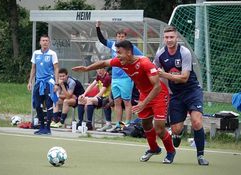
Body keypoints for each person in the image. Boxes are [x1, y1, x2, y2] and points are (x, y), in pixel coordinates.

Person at [72, 40, 176, 164]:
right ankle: (154, 148)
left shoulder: (145, 63)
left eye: (119, 52)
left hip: (158, 94)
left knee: (159, 128)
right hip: (144, 94)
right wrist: (86, 69)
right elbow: (104, 62)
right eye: (116, 52)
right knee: (146, 125)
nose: (117, 55)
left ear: (128, 52)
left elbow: (157, 86)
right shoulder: (121, 61)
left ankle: (170, 151)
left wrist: (143, 103)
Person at [154, 26, 209, 166]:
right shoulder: (160, 54)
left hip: (192, 91)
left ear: (176, 37)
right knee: (176, 129)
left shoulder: (184, 52)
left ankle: (200, 155)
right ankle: (177, 134)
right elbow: (154, 71)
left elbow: (184, 78)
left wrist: (164, 74)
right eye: (166, 37)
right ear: (163, 38)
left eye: (171, 37)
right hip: (176, 95)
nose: (169, 40)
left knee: (196, 121)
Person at [96, 21, 143, 132]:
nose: (120, 38)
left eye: (122, 36)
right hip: (115, 78)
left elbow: (142, 57)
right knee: (117, 102)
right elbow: (102, 40)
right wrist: (98, 27)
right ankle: (118, 125)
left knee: (127, 102)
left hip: (126, 78)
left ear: (125, 38)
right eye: (119, 36)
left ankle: (126, 125)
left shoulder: (130, 47)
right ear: (116, 37)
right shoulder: (113, 45)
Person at [27, 34, 59, 135]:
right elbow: (33, 68)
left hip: (49, 82)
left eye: (46, 40)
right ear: (40, 42)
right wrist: (30, 81)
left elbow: (56, 68)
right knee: (37, 105)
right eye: (43, 40)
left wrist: (56, 83)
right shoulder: (36, 53)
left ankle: (48, 128)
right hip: (38, 82)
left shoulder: (52, 54)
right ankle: (41, 126)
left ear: (49, 42)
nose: (45, 42)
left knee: (49, 105)